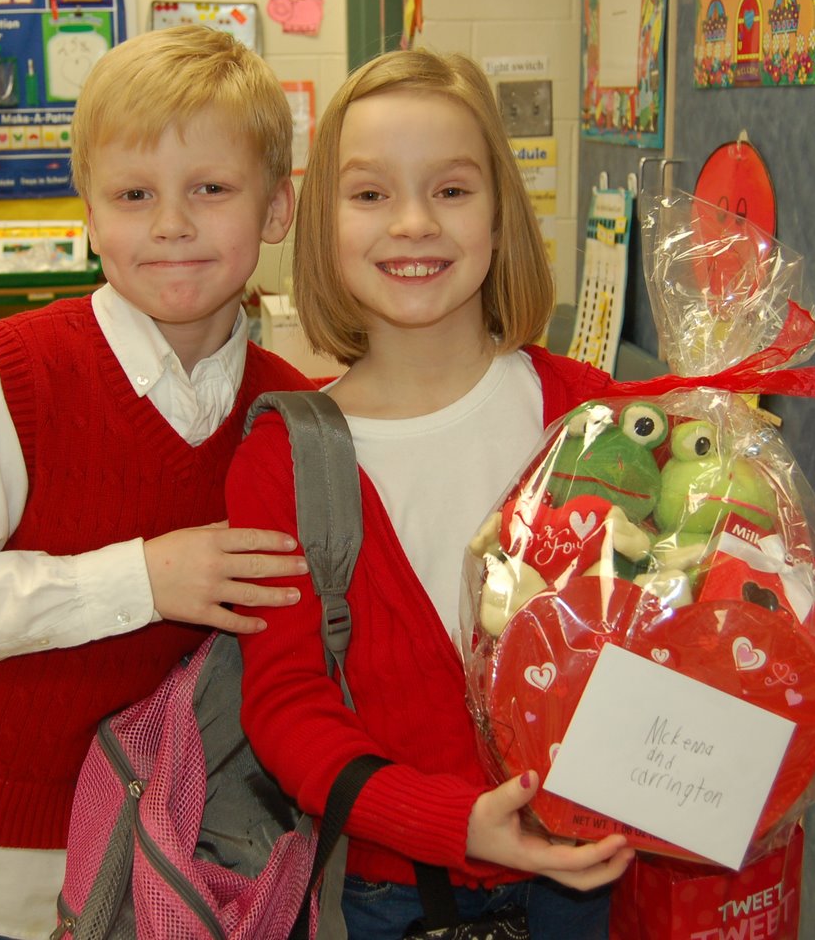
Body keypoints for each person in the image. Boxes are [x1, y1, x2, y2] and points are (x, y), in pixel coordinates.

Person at [0, 24, 316, 940]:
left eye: (212, 190)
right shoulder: (12, 374)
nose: (172, 224)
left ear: (276, 209)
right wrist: (140, 579)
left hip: (182, 861)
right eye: (134, 194)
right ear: (90, 212)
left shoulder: (293, 411)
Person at [226, 49, 635, 939]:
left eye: (451, 190)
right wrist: (452, 823)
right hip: (396, 898)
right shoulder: (284, 457)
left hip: (596, 883)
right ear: (322, 224)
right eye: (370, 194)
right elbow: (288, 708)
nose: (413, 223)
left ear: (500, 215)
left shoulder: (589, 414)